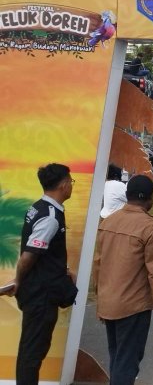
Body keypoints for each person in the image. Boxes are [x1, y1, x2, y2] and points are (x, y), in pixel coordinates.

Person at [1, 164, 77, 385]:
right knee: (32, 353)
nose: (71, 186)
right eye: (71, 182)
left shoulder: (38, 207)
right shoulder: (50, 217)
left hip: (37, 289)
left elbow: (43, 254)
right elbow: (28, 257)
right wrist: (18, 280)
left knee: (31, 350)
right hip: (41, 295)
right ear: (63, 185)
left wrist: (63, 271)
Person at [93, 175, 153, 385]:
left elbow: (98, 265)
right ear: (150, 198)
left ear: (127, 196)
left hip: (109, 301)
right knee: (127, 363)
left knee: (118, 357)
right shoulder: (150, 227)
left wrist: (101, 301)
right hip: (133, 306)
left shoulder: (108, 222)